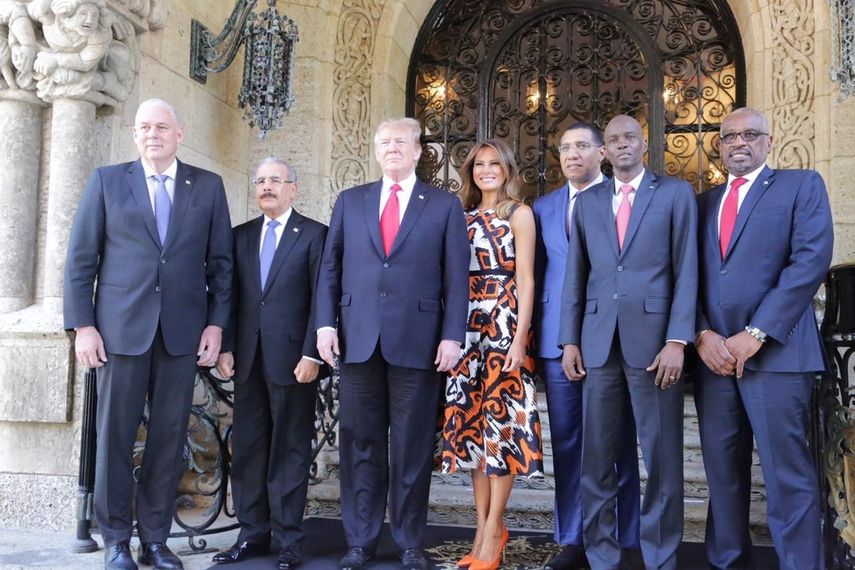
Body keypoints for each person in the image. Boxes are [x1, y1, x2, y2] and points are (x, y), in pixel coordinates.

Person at [63, 98, 233, 570]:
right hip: (119, 332)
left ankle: (155, 541)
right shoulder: (107, 182)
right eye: (144, 127)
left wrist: (216, 324)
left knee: (169, 439)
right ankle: (117, 540)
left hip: (181, 334)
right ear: (135, 135)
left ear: (179, 134)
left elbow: (221, 265)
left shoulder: (207, 186)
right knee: (114, 438)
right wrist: (83, 326)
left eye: (161, 127)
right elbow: (80, 261)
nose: (152, 134)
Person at [315, 117, 470, 570]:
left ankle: (408, 541)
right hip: (357, 340)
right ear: (376, 150)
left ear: (419, 150)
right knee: (359, 444)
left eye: (401, 141)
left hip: (419, 342)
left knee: (411, 448)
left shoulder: (443, 205)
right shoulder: (351, 200)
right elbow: (330, 268)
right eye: (384, 142)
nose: (392, 148)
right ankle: (360, 540)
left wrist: (452, 335)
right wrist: (325, 325)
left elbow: (456, 276)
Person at [693, 107, 833, 570]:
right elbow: (685, 274)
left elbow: (810, 260)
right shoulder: (702, 202)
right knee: (722, 475)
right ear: (719, 145)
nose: (739, 142)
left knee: (787, 474)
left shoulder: (800, 185)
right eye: (729, 136)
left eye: (751, 134)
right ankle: (728, 561)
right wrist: (701, 333)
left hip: (778, 356)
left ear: (769, 141)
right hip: (715, 360)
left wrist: (757, 333)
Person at [558, 114, 697, 570]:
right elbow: (576, 276)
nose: (622, 145)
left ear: (644, 145)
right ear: (604, 151)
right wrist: (569, 340)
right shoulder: (588, 202)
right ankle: (602, 555)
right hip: (598, 345)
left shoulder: (674, 194)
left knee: (661, 458)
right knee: (595, 458)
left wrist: (678, 339)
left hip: (656, 347)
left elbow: (687, 270)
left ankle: (660, 557)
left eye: (630, 138)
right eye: (614, 139)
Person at [532, 123, 640, 570]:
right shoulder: (543, 207)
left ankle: (624, 535)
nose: (572, 154)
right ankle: (573, 536)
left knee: (617, 442)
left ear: (602, 154)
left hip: (611, 339)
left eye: (582, 146)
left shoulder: (624, 198)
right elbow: (536, 274)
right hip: (557, 340)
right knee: (568, 442)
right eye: (564, 148)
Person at [211, 158, 327, 570]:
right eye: (260, 180)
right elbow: (226, 294)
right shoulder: (240, 235)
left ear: (294, 188)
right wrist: (225, 345)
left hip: (295, 361)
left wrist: (313, 353)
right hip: (246, 360)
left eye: (275, 180)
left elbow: (322, 298)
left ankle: (289, 538)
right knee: (248, 449)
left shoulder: (314, 234)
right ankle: (251, 534)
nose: (266, 187)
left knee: (290, 450)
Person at [438, 139, 543, 570]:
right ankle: (482, 527)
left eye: (494, 163)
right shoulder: (460, 216)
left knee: (501, 431)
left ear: (507, 169)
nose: (486, 170)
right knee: (473, 432)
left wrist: (520, 339)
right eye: (479, 164)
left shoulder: (518, 213)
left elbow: (527, 280)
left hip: (503, 325)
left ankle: (493, 529)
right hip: (466, 328)